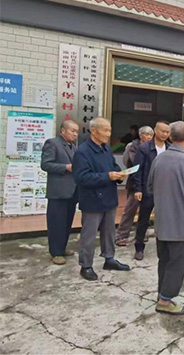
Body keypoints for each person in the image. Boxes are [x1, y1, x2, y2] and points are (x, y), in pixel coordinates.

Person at [148, 121, 184, 315]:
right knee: (178, 262)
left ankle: (161, 293)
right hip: (180, 221)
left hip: (162, 219)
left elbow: (150, 187)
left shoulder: (159, 159)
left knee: (164, 260)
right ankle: (165, 300)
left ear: (170, 137)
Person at [73, 117, 130, 281]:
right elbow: (81, 177)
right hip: (92, 200)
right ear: (94, 131)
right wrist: (108, 176)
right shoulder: (82, 152)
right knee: (89, 235)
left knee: (109, 231)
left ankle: (109, 258)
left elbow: (114, 166)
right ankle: (86, 265)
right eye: (105, 130)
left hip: (109, 197)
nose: (108, 134)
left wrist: (119, 174)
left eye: (109, 130)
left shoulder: (106, 148)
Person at [41, 119, 79, 265]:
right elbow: (45, 164)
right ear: (62, 130)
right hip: (58, 191)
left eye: (77, 132)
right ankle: (55, 253)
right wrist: (65, 167)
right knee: (56, 223)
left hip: (71, 191)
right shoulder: (52, 143)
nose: (75, 134)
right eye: (72, 131)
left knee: (67, 222)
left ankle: (62, 247)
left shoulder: (73, 146)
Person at [132, 120, 171, 261]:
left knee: (165, 219)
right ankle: (139, 247)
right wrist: (138, 189)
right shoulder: (145, 148)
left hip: (165, 190)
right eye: (162, 131)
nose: (165, 134)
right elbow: (138, 170)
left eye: (167, 132)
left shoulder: (170, 148)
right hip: (148, 189)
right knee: (143, 219)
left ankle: (165, 247)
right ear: (155, 130)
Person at [115, 126, 154, 246]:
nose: (149, 137)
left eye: (150, 135)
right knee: (130, 209)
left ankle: (141, 234)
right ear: (140, 135)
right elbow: (127, 161)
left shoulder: (153, 146)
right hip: (135, 181)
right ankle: (121, 235)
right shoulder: (132, 146)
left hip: (149, 182)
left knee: (145, 210)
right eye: (146, 134)